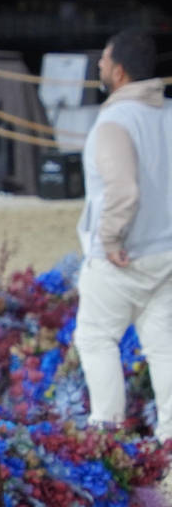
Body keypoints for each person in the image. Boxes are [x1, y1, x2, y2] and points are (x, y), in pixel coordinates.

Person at [75, 28, 172, 442]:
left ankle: (108, 437)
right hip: (167, 252)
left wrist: (111, 239)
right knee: (164, 347)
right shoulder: (168, 114)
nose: (99, 64)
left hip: (124, 256)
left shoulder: (115, 120)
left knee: (95, 339)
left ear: (118, 71)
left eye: (104, 58)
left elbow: (123, 190)